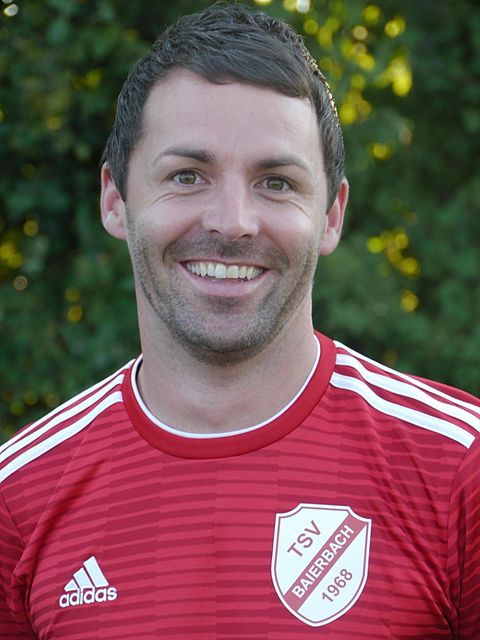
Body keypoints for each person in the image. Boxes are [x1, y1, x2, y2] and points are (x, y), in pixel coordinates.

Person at [1, 4, 479, 638]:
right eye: (187, 176)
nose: (233, 222)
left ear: (332, 215)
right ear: (115, 199)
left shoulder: (459, 469)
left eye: (276, 182)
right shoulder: (18, 500)